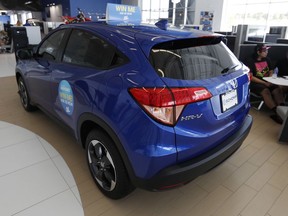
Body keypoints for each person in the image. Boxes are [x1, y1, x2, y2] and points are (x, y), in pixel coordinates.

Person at [245, 43, 285, 124]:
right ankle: (276, 112)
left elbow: (271, 70)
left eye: (267, 51)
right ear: (258, 52)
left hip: (267, 81)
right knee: (265, 91)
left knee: (277, 90)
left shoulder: (267, 59)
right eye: (264, 51)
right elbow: (251, 76)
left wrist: (269, 79)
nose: (266, 52)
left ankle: (283, 110)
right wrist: (264, 83)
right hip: (255, 83)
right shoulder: (250, 60)